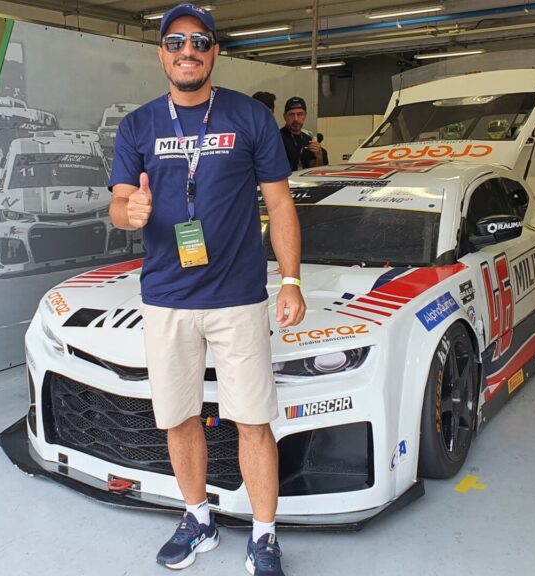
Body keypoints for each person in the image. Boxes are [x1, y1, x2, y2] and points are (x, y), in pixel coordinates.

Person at [108, 4, 306, 575]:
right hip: (167, 297)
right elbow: (119, 203)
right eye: (175, 42)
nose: (187, 51)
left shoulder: (249, 117)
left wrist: (290, 279)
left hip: (238, 296)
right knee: (177, 417)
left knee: (252, 420)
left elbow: (279, 203)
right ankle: (198, 518)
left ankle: (264, 535)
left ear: (214, 52)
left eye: (199, 42)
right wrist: (131, 211)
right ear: (161, 53)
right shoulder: (139, 125)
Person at [279, 96, 325, 170]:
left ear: (305, 115)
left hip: (304, 181)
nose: (296, 119)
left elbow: (315, 171)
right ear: (285, 116)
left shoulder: (308, 140)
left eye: (300, 114)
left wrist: (319, 156)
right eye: (291, 115)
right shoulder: (277, 139)